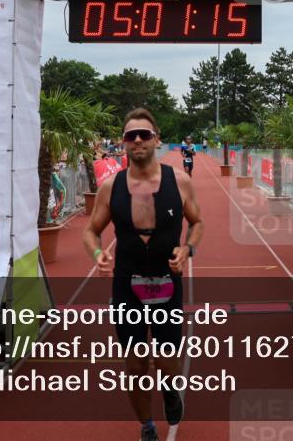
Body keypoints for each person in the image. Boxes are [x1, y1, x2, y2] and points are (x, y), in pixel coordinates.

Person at [83, 108, 204, 441]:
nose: (137, 140)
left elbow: (197, 223)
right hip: (127, 285)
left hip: (167, 283)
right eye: (130, 135)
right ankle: (147, 426)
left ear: (157, 139)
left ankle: (169, 390)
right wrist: (96, 254)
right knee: (135, 366)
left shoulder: (179, 180)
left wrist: (187, 250)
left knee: (168, 362)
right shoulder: (111, 187)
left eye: (144, 134)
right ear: (123, 143)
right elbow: (90, 231)